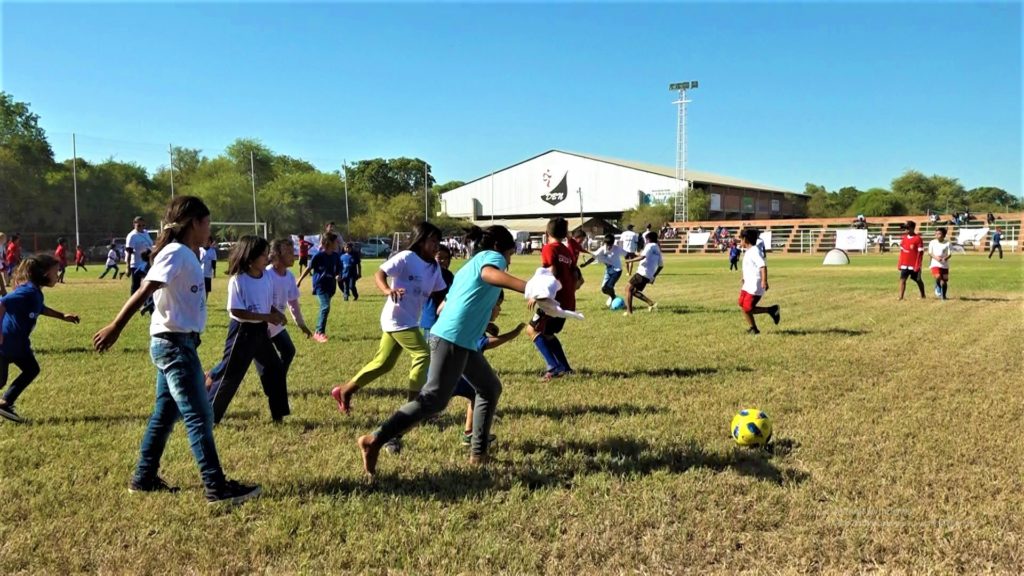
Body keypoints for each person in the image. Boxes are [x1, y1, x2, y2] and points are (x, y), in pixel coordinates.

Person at [93, 196, 261, 505]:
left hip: (177, 343)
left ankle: (143, 478)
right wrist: (116, 326)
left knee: (164, 414)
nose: (210, 229)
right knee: (199, 415)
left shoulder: (188, 254)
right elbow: (146, 289)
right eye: (207, 222)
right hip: (174, 345)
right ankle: (216, 487)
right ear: (194, 223)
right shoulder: (175, 252)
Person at [356, 225, 530, 475]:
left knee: (489, 388)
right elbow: (489, 273)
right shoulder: (491, 259)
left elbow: (449, 304)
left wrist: (482, 320)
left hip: (462, 340)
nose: (509, 261)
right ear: (499, 248)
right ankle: (375, 439)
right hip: (452, 340)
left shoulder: (467, 265)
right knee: (434, 400)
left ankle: (478, 454)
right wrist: (529, 288)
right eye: (510, 254)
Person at [330, 223, 447, 457]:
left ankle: (345, 390)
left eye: (438, 241)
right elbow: (380, 273)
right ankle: (415, 408)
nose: (436, 245)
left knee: (383, 363)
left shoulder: (434, 268)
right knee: (423, 354)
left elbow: (441, 292)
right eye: (432, 240)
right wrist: (386, 290)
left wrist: (448, 304)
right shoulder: (406, 257)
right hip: (397, 318)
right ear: (421, 240)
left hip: (409, 320)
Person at [206, 236, 288, 424]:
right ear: (250, 258)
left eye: (268, 253)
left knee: (275, 369)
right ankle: (209, 417)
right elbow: (236, 310)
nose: (267, 258)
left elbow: (265, 304)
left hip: (260, 331)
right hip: (242, 333)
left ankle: (279, 415)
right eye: (263, 255)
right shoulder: (238, 280)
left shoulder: (266, 276)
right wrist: (267, 317)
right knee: (230, 375)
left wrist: (275, 312)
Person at [0, 255, 81, 423]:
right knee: (8, 377)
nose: (58, 275)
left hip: (18, 344)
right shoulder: (28, 291)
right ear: (44, 273)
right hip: (7, 343)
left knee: (30, 370)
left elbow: (40, 308)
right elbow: (3, 302)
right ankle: (5, 403)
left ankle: (5, 402)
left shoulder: (35, 292)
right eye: (55, 271)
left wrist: (62, 316)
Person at [451, 292, 525, 446]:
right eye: (498, 305)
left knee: (477, 395)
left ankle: (469, 434)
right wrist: (513, 333)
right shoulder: (474, 323)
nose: (500, 309)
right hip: (455, 373)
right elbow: (484, 344)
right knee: (430, 405)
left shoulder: (476, 318)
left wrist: (488, 324)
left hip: (461, 371)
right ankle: (396, 431)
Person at [529, 217, 577, 380]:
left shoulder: (549, 248)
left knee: (532, 330)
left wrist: (538, 294)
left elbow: (552, 271)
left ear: (546, 232)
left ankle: (553, 367)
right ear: (565, 234)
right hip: (567, 301)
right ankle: (566, 368)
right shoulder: (566, 251)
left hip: (553, 301)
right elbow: (576, 275)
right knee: (548, 334)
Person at [296, 232, 341, 342]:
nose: (337, 243)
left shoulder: (336, 256)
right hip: (320, 286)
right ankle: (319, 332)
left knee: (324, 308)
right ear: (328, 243)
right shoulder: (319, 256)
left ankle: (319, 330)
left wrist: (338, 275)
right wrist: (299, 280)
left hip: (331, 286)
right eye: (335, 241)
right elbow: (308, 268)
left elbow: (338, 269)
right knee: (325, 307)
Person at [737, 228, 780, 334]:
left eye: (741, 239)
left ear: (745, 239)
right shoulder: (749, 251)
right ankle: (754, 328)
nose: (740, 242)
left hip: (755, 285)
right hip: (748, 284)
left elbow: (762, 266)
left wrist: (764, 281)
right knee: (742, 304)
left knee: (748, 308)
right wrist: (744, 277)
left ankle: (771, 310)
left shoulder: (755, 251)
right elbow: (749, 267)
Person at [623, 231, 664, 316]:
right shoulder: (657, 248)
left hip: (642, 272)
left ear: (648, 239)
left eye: (646, 240)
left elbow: (642, 257)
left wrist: (629, 260)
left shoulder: (649, 246)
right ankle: (651, 303)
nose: (645, 241)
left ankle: (629, 312)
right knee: (633, 291)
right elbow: (661, 266)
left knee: (628, 289)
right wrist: (653, 276)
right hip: (648, 275)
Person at [420, 244, 455, 339]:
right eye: (439, 258)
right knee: (431, 350)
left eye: (446, 258)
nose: (443, 261)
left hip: (447, 320)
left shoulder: (449, 275)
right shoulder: (428, 274)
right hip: (432, 319)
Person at [580, 233, 626, 303]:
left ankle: (614, 299)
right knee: (604, 289)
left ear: (613, 243)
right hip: (608, 270)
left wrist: (637, 257)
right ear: (605, 243)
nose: (608, 247)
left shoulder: (617, 248)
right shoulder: (602, 249)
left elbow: (628, 254)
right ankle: (613, 297)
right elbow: (593, 257)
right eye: (607, 245)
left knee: (609, 286)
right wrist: (585, 264)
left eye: (610, 245)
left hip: (617, 270)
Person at [125, 216, 155, 296]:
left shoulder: (146, 233)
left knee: (148, 283)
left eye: (143, 225)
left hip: (147, 263)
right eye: (139, 225)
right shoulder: (132, 236)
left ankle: (147, 303)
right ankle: (133, 303)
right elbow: (129, 252)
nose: (141, 227)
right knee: (136, 285)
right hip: (136, 264)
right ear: (134, 225)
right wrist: (127, 267)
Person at [897, 220, 926, 301]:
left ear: (913, 228)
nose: (906, 230)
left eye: (907, 228)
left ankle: (923, 295)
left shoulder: (918, 239)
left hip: (914, 265)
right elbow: (902, 252)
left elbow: (920, 253)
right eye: (905, 228)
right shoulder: (904, 238)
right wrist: (900, 263)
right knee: (902, 279)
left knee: (918, 280)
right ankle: (901, 297)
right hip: (904, 264)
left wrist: (918, 264)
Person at [928, 227, 952, 300]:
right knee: (938, 277)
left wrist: (945, 258)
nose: (937, 235)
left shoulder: (948, 243)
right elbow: (930, 253)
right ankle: (938, 286)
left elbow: (950, 254)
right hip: (935, 263)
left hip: (944, 265)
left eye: (939, 233)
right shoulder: (932, 242)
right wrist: (936, 258)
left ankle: (944, 296)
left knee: (944, 281)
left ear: (944, 235)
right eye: (936, 233)